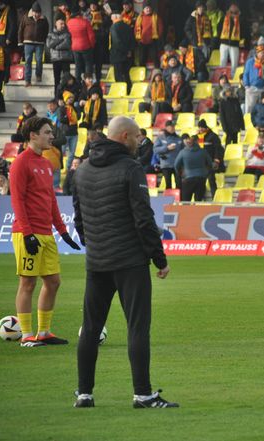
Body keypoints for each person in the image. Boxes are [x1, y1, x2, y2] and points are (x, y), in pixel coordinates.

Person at [73, 116, 178, 409]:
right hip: (130, 262)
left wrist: (94, 246)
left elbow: (78, 219)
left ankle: (84, 394)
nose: (139, 142)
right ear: (123, 137)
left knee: (90, 328)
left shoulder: (81, 171)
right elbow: (144, 219)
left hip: (97, 262)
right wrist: (160, 259)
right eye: (136, 137)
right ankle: (143, 394)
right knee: (137, 328)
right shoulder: (130, 169)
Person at [9, 116, 81, 348]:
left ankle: (44, 332)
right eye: (47, 132)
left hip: (46, 233)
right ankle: (27, 335)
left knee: (53, 281)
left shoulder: (46, 163)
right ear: (33, 136)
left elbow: (51, 201)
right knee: (27, 283)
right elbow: (17, 200)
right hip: (26, 232)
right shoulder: (21, 162)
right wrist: (28, 233)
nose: (52, 136)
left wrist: (63, 232)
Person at [18, 2, 48, 87]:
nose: (37, 14)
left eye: (39, 12)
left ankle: (38, 75)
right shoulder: (26, 17)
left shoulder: (44, 19)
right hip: (28, 43)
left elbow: (46, 30)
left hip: (39, 43)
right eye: (36, 12)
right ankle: (28, 80)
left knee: (39, 60)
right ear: (33, 11)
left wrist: (44, 40)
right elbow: (21, 29)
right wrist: (20, 41)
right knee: (28, 61)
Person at [174, 133, 212, 202]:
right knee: (198, 201)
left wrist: (180, 174)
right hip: (201, 178)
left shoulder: (183, 152)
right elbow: (210, 164)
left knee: (186, 202)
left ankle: (187, 213)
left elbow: (176, 165)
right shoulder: (203, 151)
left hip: (188, 179)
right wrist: (206, 173)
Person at [184, 1, 211, 81]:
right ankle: (197, 75)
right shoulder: (192, 17)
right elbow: (186, 29)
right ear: (197, 8)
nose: (201, 9)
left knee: (204, 59)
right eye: (199, 8)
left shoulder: (206, 17)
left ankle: (203, 74)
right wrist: (192, 38)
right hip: (195, 43)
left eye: (202, 8)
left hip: (204, 42)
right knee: (196, 60)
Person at [67, 4, 95, 82]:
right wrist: (92, 45)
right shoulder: (85, 22)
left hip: (74, 47)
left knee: (78, 65)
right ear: (80, 13)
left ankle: (77, 81)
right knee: (88, 64)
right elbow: (91, 36)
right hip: (85, 46)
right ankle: (88, 80)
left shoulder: (69, 23)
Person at [109, 10, 135, 94]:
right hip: (127, 55)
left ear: (116, 17)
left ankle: (121, 92)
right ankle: (129, 90)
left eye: (112, 18)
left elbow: (116, 42)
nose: (111, 19)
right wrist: (129, 51)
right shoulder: (127, 26)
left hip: (118, 55)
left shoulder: (114, 27)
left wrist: (124, 51)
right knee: (126, 74)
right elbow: (132, 40)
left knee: (118, 75)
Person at [153, 120, 183, 189]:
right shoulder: (160, 137)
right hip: (166, 164)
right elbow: (155, 150)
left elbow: (182, 151)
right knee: (168, 184)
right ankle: (169, 199)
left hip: (177, 165)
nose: (173, 128)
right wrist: (167, 148)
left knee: (179, 184)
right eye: (171, 127)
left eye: (173, 126)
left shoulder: (178, 138)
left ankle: (179, 199)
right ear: (166, 127)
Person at [196, 118, 224, 194]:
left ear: (206, 127)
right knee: (200, 182)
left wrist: (216, 159)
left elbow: (218, 149)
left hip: (210, 162)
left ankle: (214, 196)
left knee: (211, 180)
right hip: (200, 162)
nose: (200, 129)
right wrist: (196, 136)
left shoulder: (213, 136)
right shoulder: (198, 136)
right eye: (199, 127)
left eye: (202, 127)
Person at [47, 17, 72, 95]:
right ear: (56, 24)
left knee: (67, 78)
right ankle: (57, 96)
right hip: (55, 59)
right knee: (56, 79)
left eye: (63, 23)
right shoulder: (50, 34)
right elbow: (49, 44)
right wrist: (60, 40)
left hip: (65, 59)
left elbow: (67, 44)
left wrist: (56, 46)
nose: (63, 25)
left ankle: (67, 95)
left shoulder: (67, 33)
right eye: (61, 23)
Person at [134, 1, 163, 67]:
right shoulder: (139, 18)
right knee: (142, 59)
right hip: (142, 41)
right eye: (146, 8)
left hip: (153, 41)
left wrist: (157, 37)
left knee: (155, 58)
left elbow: (160, 28)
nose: (148, 10)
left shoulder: (156, 17)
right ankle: (141, 73)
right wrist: (138, 39)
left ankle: (157, 72)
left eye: (149, 8)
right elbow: (136, 29)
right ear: (143, 9)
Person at [243, 44, 264, 114]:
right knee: (250, 107)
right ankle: (248, 122)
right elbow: (246, 74)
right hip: (252, 88)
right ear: (257, 53)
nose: (263, 54)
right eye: (262, 52)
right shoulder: (250, 62)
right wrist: (246, 86)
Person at [219, 3, 242, 76]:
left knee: (234, 63)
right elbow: (219, 28)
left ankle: (233, 77)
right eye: (231, 12)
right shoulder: (224, 18)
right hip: (224, 43)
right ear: (229, 11)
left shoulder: (241, 19)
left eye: (235, 12)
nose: (233, 14)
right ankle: (222, 78)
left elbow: (245, 31)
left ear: (238, 11)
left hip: (234, 44)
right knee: (222, 61)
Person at [58, 91, 79, 171]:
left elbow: (79, 116)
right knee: (62, 151)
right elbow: (61, 119)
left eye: (72, 98)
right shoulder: (62, 109)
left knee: (72, 153)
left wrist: (75, 116)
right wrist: (69, 118)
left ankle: (68, 168)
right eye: (69, 98)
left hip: (74, 133)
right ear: (65, 99)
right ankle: (59, 168)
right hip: (65, 133)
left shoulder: (75, 108)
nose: (71, 99)